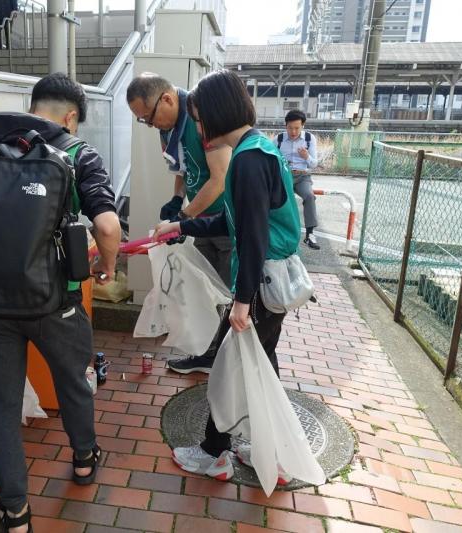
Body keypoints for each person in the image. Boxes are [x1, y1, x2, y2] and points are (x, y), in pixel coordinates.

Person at [0, 73, 120, 532]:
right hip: (54, 301)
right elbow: (109, 227)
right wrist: (108, 268)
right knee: (75, 382)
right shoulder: (78, 153)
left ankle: (15, 511)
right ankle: (83, 460)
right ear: (71, 116)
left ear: (32, 105)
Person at [153, 69, 301, 481]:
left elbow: (251, 236)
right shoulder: (257, 149)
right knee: (260, 365)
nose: (199, 129)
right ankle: (270, 450)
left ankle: (215, 454)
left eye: (199, 119)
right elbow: (235, 221)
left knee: (228, 369)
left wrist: (241, 300)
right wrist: (181, 226)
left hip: (259, 284)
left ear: (216, 113)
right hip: (274, 282)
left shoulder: (249, 160)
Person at [126, 73, 232, 375]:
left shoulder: (203, 118)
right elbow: (183, 169)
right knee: (202, 291)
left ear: (168, 99)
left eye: (148, 118)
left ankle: (226, 360)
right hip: (202, 221)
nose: (149, 125)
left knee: (225, 293)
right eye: (142, 121)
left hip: (224, 222)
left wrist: (183, 219)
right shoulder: (169, 127)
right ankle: (205, 352)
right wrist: (177, 201)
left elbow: (220, 178)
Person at [276, 109, 320, 249]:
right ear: (285, 126)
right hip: (285, 175)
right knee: (280, 199)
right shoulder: (279, 139)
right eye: (290, 128)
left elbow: (314, 164)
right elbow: (269, 157)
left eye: (296, 128)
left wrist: (306, 156)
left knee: (309, 196)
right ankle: (278, 232)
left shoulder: (309, 138)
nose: (293, 132)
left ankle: (310, 234)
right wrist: (281, 162)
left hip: (302, 176)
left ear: (303, 125)